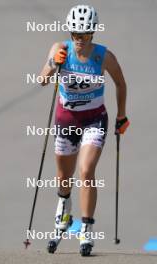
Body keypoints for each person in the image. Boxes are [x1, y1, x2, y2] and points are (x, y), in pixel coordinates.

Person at [40, 5, 130, 256]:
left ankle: (86, 231)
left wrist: (122, 115)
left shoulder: (104, 56)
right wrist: (52, 63)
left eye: (85, 35)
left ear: (93, 33)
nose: (79, 41)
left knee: (87, 169)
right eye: (75, 35)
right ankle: (64, 209)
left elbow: (121, 83)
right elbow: (42, 79)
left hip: (94, 119)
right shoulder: (60, 49)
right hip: (66, 119)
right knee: (63, 177)